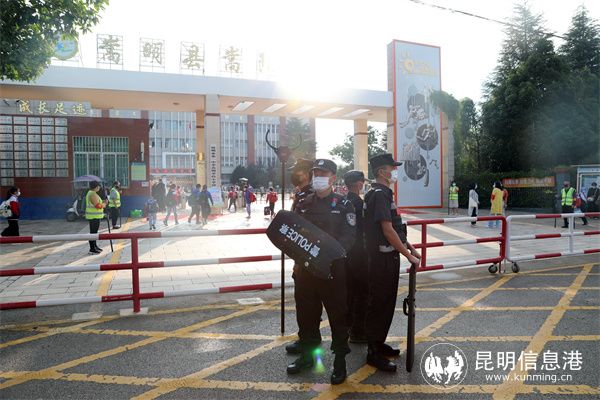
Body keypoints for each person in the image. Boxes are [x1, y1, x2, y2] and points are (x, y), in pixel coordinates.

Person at [287, 159, 356, 385]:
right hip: (306, 271)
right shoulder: (303, 202)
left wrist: (328, 255)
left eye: (323, 173)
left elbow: (349, 237)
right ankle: (309, 355)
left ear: (333, 178)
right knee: (306, 315)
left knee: (338, 316)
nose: (318, 177)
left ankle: (340, 360)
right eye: (315, 173)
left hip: (332, 271)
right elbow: (293, 231)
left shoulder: (344, 204)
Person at [363, 153, 421, 372]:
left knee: (386, 303)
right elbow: (386, 230)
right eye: (392, 168)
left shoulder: (383, 193)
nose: (395, 171)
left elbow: (396, 228)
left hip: (387, 257)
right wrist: (407, 255)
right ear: (382, 172)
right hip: (381, 260)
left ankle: (378, 343)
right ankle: (373, 352)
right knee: (379, 304)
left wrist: (410, 248)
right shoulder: (379, 195)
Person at [285, 157, 315, 355]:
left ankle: (308, 340)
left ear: (305, 174)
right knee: (304, 301)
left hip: (307, 258)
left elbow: (303, 229)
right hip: (302, 256)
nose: (294, 174)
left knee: (307, 301)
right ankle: (305, 336)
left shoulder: (310, 195)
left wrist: (299, 260)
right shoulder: (301, 193)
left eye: (298, 170)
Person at [343, 170, 369, 343]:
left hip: (345, 255)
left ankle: (348, 328)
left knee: (349, 293)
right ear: (359, 184)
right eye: (362, 182)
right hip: (359, 255)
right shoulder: (359, 204)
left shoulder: (342, 202)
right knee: (362, 293)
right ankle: (358, 332)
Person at [85, 181, 107, 254]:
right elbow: (97, 206)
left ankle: (95, 246)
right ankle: (92, 249)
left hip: (94, 216)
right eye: (99, 186)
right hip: (94, 217)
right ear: (96, 187)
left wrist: (102, 202)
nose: (99, 187)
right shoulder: (92, 194)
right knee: (93, 233)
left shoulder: (92, 193)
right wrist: (104, 204)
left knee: (94, 232)